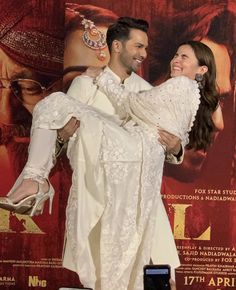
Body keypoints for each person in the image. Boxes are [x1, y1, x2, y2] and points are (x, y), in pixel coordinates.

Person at [0, 29, 219, 290]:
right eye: (138, 47)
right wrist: (64, 135)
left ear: (201, 70)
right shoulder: (83, 83)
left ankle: (36, 180)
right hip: (104, 172)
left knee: (131, 254)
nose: (144, 54)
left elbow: (149, 119)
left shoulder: (168, 86)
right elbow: (62, 134)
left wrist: (176, 147)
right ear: (117, 46)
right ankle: (34, 179)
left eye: (184, 56)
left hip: (130, 166)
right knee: (114, 256)